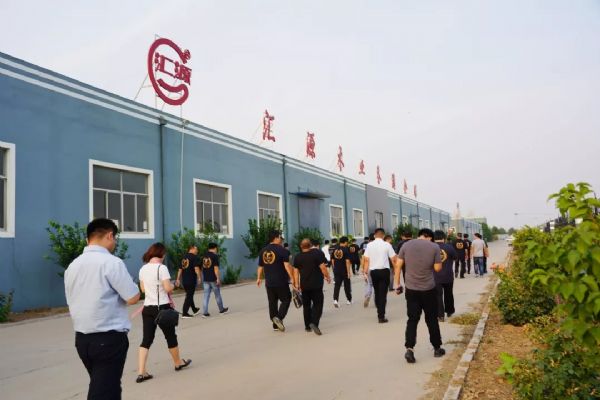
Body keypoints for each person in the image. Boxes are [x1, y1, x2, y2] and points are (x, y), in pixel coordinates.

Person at [64, 218, 140, 400]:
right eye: (115, 239)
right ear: (110, 235)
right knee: (104, 392)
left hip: (83, 340)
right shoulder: (111, 263)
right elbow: (132, 297)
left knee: (105, 386)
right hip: (108, 339)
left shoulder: (72, 266)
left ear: (88, 239)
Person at [137, 243, 191, 383]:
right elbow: (167, 288)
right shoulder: (162, 268)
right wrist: (174, 285)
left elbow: (143, 290)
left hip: (147, 308)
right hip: (162, 308)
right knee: (170, 336)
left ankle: (141, 372)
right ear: (161, 254)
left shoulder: (143, 269)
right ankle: (178, 363)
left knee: (146, 339)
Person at [395, 228, 445, 363]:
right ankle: (437, 348)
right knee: (431, 319)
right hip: (428, 289)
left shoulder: (406, 245)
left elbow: (398, 265)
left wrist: (397, 284)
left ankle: (409, 349)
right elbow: (437, 268)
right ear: (430, 237)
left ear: (419, 235)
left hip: (411, 289)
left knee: (412, 319)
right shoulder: (434, 247)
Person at [292, 238, 332, 335]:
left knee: (306, 306)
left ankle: (307, 326)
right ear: (310, 245)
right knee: (318, 304)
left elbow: (296, 271)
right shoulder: (316, 254)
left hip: (304, 285)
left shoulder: (298, 257)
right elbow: (323, 267)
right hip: (316, 284)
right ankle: (314, 322)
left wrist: (296, 284)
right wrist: (327, 277)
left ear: (301, 246)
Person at [257, 230, 294, 332]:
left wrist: (258, 278)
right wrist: (292, 278)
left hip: (269, 282)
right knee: (286, 299)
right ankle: (279, 317)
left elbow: (260, 266)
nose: (281, 239)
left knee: (272, 302)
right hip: (281, 281)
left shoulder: (263, 251)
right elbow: (287, 266)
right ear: (276, 238)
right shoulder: (282, 250)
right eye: (280, 237)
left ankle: (275, 325)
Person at [363, 228, 398, 323]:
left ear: (375, 235)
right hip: (384, 272)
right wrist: (396, 270)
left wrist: (365, 271)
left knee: (377, 292)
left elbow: (366, 259)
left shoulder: (369, 245)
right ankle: (381, 316)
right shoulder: (387, 245)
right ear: (383, 235)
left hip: (374, 272)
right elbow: (393, 259)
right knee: (383, 294)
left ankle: (379, 310)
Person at [433, 230, 457, 321]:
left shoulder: (431, 247)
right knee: (448, 294)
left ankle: (440, 315)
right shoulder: (449, 247)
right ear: (444, 238)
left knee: (437, 295)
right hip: (448, 275)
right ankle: (449, 311)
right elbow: (455, 257)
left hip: (435, 276)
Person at [201, 243, 229, 317]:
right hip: (213, 278)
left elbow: (203, 267)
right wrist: (218, 278)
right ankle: (221, 310)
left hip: (206, 278)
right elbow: (216, 268)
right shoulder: (214, 256)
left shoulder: (204, 256)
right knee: (217, 295)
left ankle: (205, 313)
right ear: (215, 248)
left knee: (206, 296)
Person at [175, 245, 201, 318]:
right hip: (191, 280)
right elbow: (196, 268)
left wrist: (178, 279)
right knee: (189, 296)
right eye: (196, 249)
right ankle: (185, 313)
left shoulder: (184, 257)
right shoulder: (194, 257)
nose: (197, 251)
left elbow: (180, 269)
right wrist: (199, 277)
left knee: (189, 295)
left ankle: (194, 309)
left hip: (184, 280)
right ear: (192, 249)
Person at [331, 236, 353, 307]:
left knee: (337, 285)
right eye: (347, 242)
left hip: (337, 270)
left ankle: (335, 300)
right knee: (347, 285)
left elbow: (332, 260)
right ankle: (349, 300)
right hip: (344, 270)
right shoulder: (346, 249)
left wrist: (334, 268)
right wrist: (348, 272)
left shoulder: (335, 249)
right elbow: (347, 261)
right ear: (345, 242)